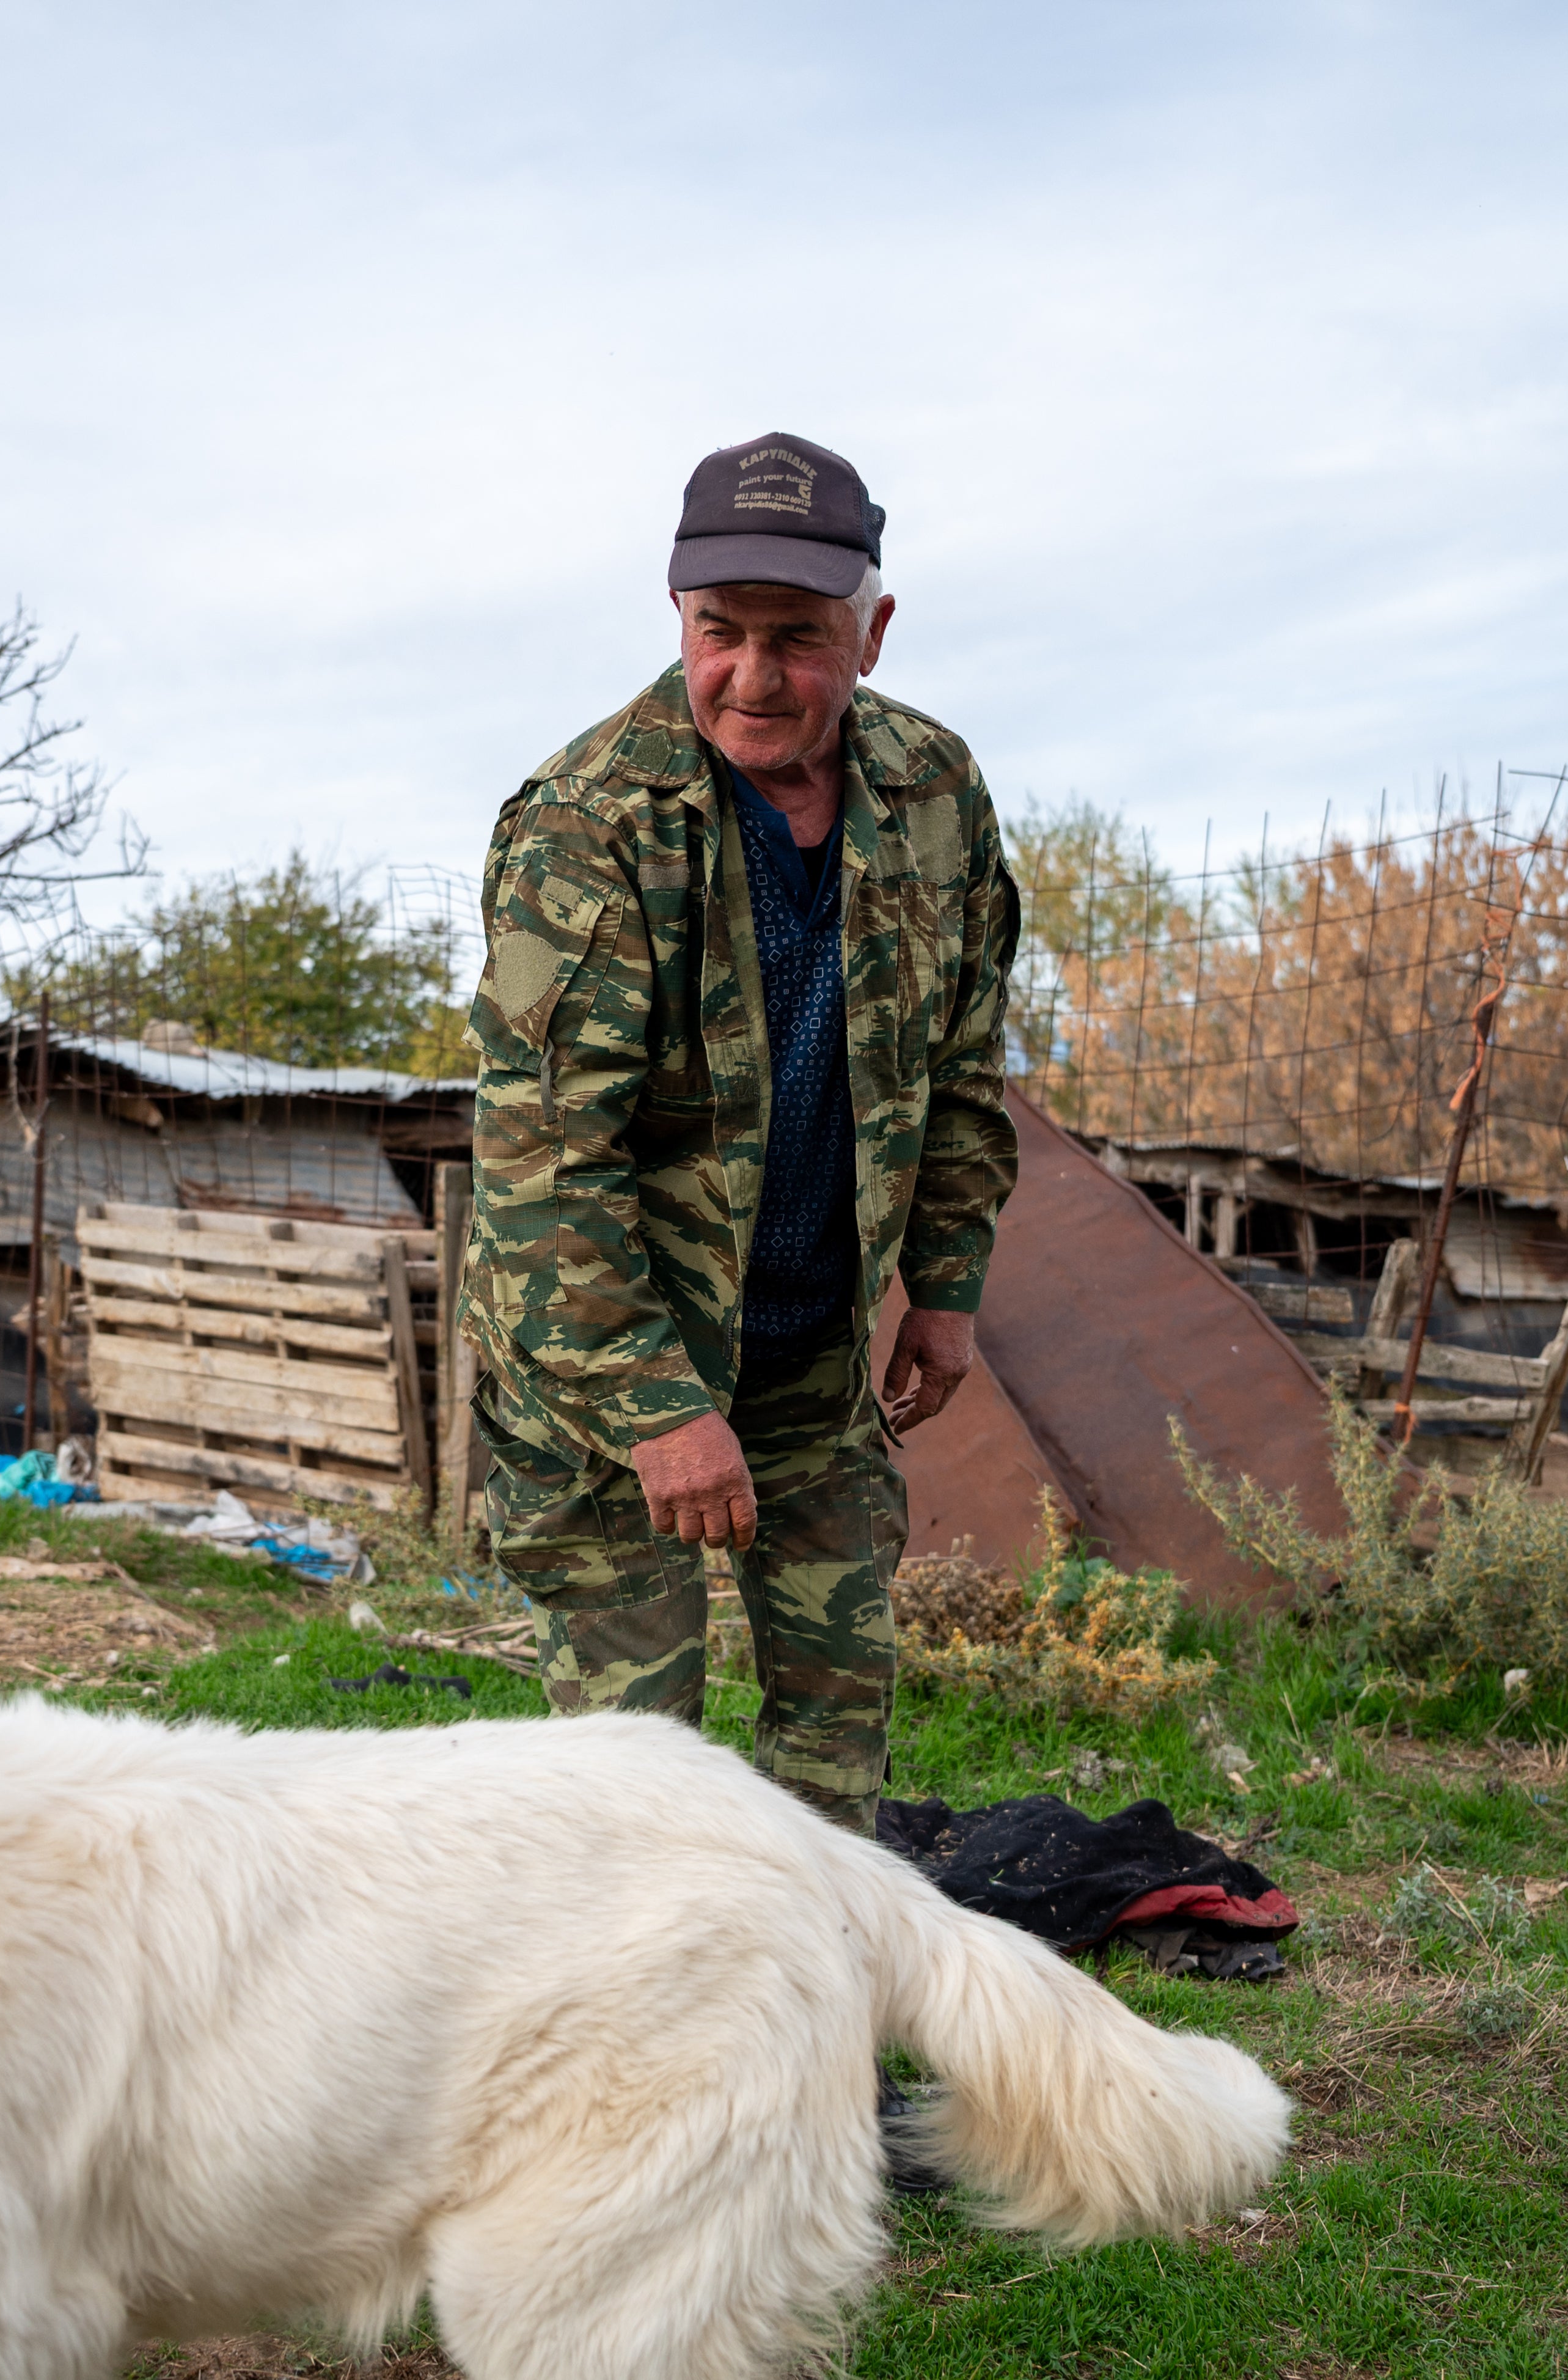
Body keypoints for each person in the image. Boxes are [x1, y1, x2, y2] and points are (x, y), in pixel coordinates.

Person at [461, 432, 1021, 1835]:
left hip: (807, 1358)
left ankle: (819, 2026)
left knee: (839, 1711)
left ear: (873, 634)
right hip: (604, 1369)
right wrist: (657, 1408)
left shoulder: (935, 798)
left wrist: (944, 1293)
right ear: (676, 617)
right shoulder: (588, 826)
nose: (752, 679)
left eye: (798, 640)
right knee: (630, 1772)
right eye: (719, 634)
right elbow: (541, 1165)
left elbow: (958, 1069)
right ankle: (632, 2042)